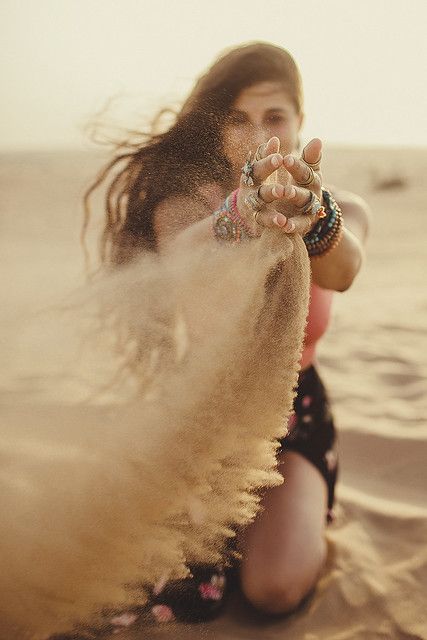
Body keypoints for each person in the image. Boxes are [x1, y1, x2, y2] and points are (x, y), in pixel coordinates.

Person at [84, 41, 370, 630]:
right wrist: (242, 214)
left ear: (299, 123)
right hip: (203, 416)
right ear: (215, 126)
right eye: (238, 117)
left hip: (295, 414)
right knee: (165, 596)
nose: (256, 131)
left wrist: (313, 216)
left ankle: (303, 508)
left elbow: (345, 267)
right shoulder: (183, 209)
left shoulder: (339, 207)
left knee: (274, 590)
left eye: (274, 116)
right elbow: (189, 259)